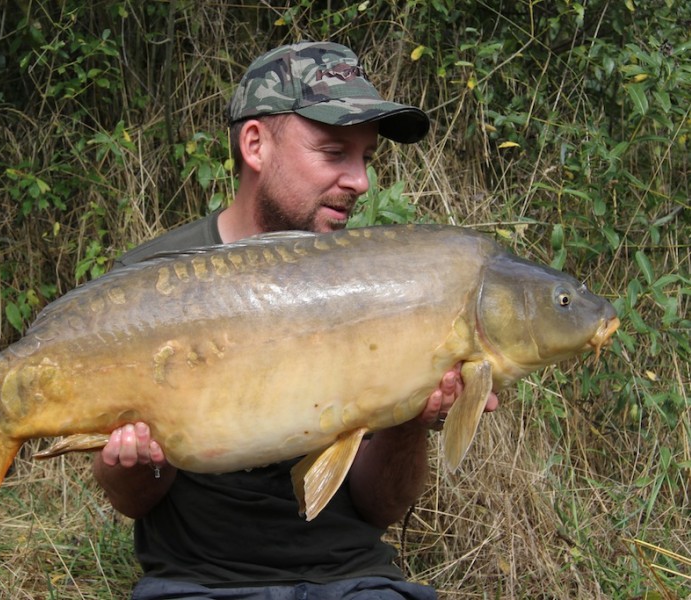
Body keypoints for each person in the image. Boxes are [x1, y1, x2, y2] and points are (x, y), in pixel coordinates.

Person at [92, 41, 498, 600]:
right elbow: (131, 501)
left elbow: (381, 506)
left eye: (367, 160)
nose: (360, 181)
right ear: (255, 145)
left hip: (353, 579)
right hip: (198, 583)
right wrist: (136, 460)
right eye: (335, 153)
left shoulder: (381, 288)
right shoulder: (151, 284)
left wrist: (409, 415)